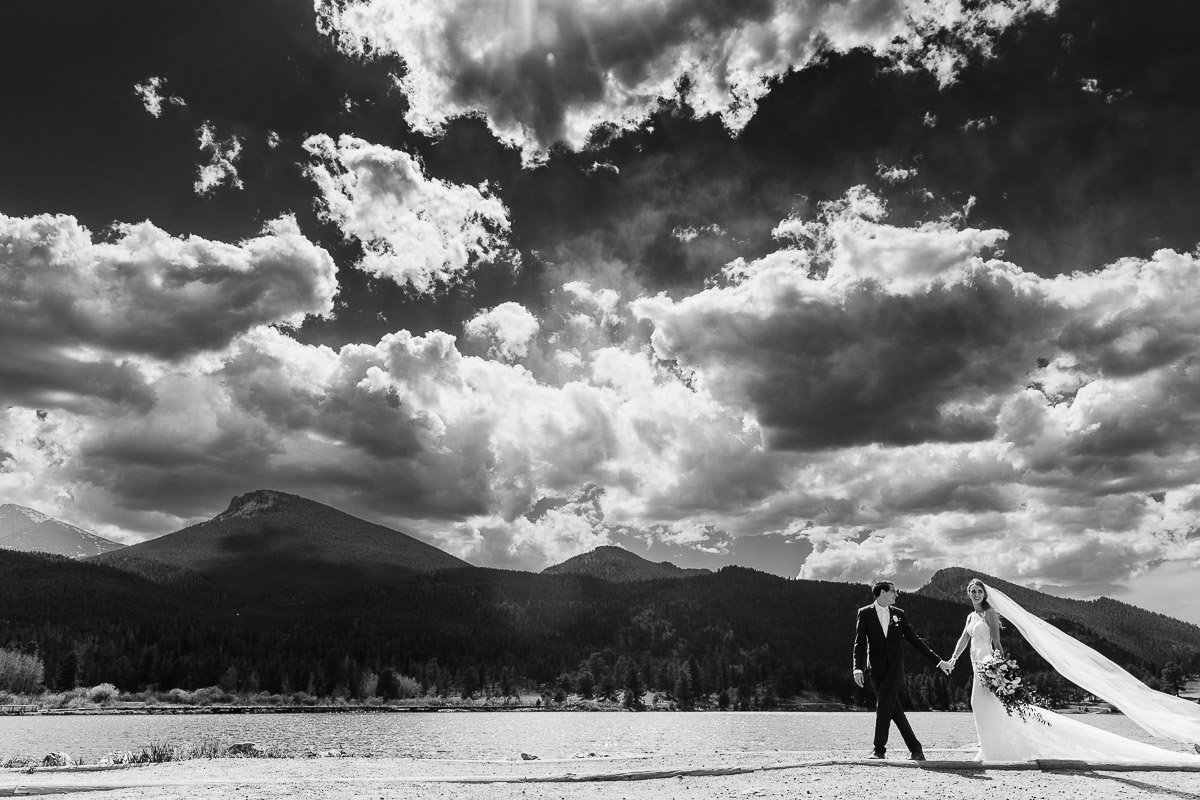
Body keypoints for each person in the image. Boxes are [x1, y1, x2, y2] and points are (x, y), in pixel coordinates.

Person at [946, 577, 1200, 764]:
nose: (976, 594)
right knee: (985, 705)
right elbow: (963, 640)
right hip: (976, 665)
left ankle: (991, 750)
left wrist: (998, 666)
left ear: (984, 594)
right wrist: (953, 659)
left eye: (979, 591)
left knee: (978, 702)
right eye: (973, 591)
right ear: (968, 594)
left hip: (988, 665)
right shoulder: (970, 617)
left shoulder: (990, 614)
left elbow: (998, 643)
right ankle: (993, 747)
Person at [852, 580, 951, 760]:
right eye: (893, 592)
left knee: (883, 706)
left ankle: (879, 749)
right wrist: (857, 668)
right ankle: (916, 749)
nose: (896, 595)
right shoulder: (865, 613)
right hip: (874, 670)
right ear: (882, 592)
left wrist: (938, 661)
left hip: (894, 670)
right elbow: (859, 643)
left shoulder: (899, 614)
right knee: (894, 710)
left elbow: (915, 640)